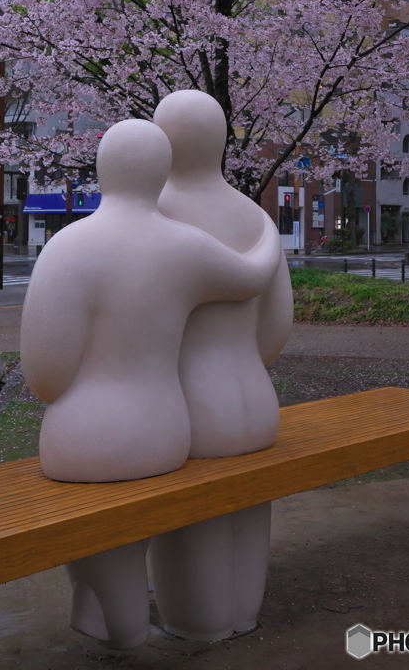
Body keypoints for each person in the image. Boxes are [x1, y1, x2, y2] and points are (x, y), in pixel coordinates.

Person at [20, 118, 282, 649]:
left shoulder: (67, 247)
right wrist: (269, 235)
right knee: (235, 509)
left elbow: (44, 375)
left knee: (108, 521)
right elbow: (255, 287)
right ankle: (196, 617)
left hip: (88, 431)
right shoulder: (185, 242)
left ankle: (129, 621)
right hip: (176, 423)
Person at [148, 90, 294, 641]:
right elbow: (277, 328)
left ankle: (200, 623)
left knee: (191, 514)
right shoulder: (255, 216)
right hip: (255, 394)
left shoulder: (153, 212)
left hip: (187, 398)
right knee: (251, 506)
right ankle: (243, 614)